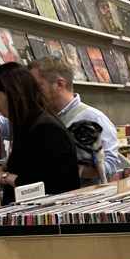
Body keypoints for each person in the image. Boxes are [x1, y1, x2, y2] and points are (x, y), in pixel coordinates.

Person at [29, 56, 121, 184]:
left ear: (60, 84)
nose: (32, 92)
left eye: (38, 86)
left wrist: (75, 169)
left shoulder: (95, 118)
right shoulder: (38, 118)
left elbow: (110, 165)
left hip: (83, 194)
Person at [0, 63, 80, 205]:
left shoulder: (46, 128)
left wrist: (5, 177)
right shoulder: (30, 125)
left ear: (15, 95)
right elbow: (35, 171)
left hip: (46, 215)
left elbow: (55, 187)